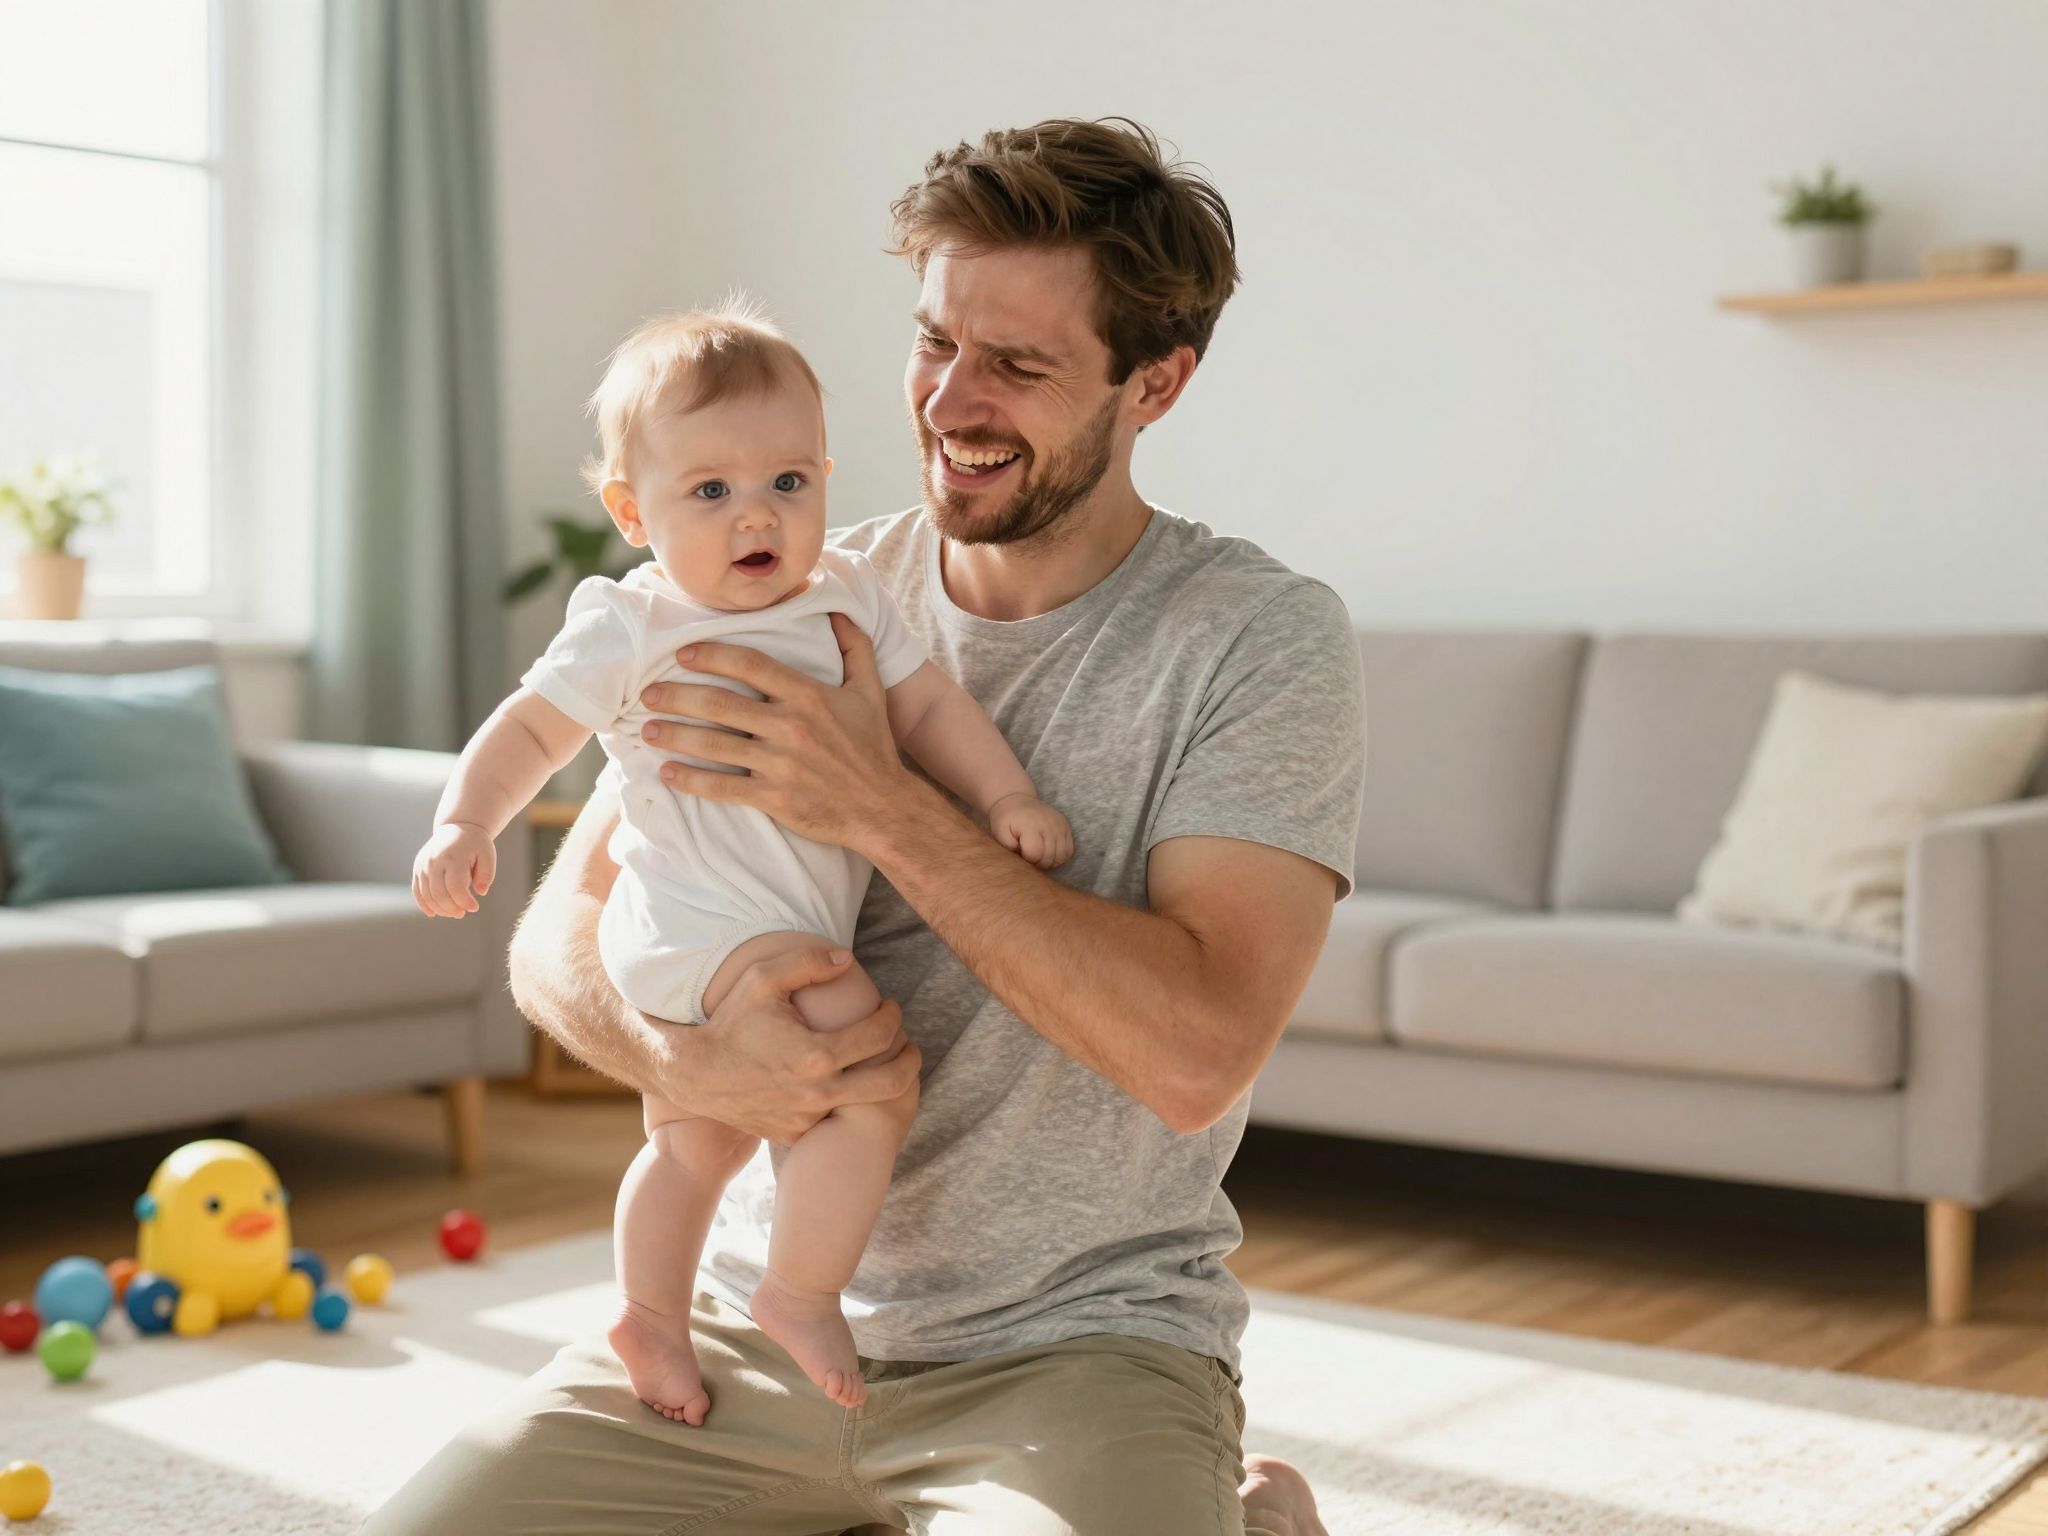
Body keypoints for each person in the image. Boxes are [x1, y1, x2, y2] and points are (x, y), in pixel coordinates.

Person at [362, 116, 1362, 1536]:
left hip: (1074, 1347)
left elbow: (1198, 1056)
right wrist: (693, 1056)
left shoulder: (1258, 641)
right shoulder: (769, 591)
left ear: (1158, 384)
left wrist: (882, 805)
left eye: (1017, 365)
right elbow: (557, 935)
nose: (952, 401)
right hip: (742, 1339)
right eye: (934, 341)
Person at [410, 304, 1072, 1425]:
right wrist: (464, 823)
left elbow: (927, 707)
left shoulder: (848, 594)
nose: (753, 517)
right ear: (633, 512)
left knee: (696, 1142)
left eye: (785, 484)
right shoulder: (630, 624)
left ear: (823, 477)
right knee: (873, 1077)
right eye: (708, 492)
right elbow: (527, 730)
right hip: (696, 923)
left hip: (741, 929)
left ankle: (649, 1319)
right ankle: (801, 1292)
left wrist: (1004, 792)